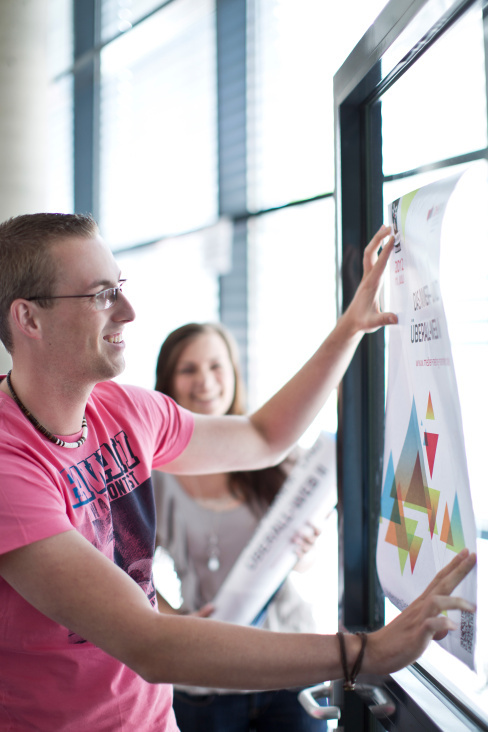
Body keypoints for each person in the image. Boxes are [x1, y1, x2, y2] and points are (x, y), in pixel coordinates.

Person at [0, 212, 476, 732]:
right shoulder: (8, 463)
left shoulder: (124, 412)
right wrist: (365, 653)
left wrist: (350, 327)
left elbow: (263, 437)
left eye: (121, 288)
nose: (130, 312)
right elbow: (148, 641)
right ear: (28, 318)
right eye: (101, 296)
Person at [153, 321, 327, 731]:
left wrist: (307, 550)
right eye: (188, 369)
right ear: (168, 382)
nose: (205, 381)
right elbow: (126, 569)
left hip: (288, 669)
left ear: (234, 373)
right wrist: (171, 621)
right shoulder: (152, 476)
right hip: (206, 678)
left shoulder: (277, 454)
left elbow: (306, 560)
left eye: (216, 366)